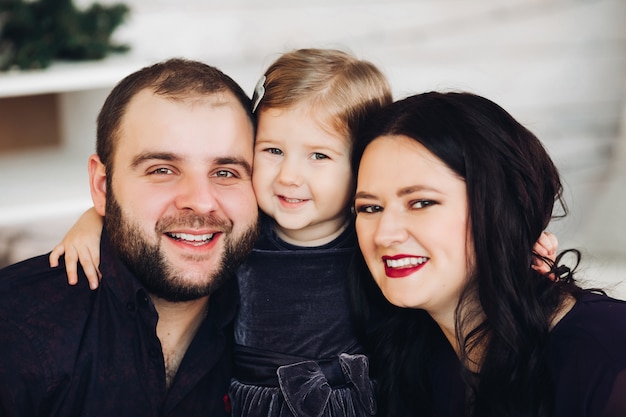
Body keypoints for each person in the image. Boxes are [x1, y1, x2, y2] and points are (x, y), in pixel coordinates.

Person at [48, 51, 557, 416]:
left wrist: (513, 249)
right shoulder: (245, 234)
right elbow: (169, 220)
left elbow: (448, 262)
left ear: (361, 165)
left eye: (319, 156)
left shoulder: (375, 241)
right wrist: (93, 220)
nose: (290, 176)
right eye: (272, 151)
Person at [0, 58, 260, 416]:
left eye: (226, 172)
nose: (200, 200)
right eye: (162, 169)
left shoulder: (290, 316)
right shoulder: (14, 328)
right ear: (102, 187)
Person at [350, 91, 626, 417]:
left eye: (421, 202)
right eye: (370, 207)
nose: (384, 234)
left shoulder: (609, 350)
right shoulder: (409, 358)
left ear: (497, 207)